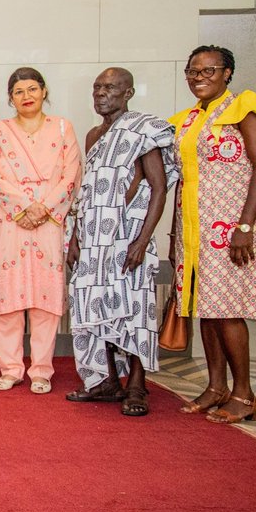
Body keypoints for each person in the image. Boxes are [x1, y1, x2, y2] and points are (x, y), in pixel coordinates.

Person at [169, 46, 256, 424]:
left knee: (228, 311)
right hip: (193, 230)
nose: (199, 77)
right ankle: (216, 387)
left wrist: (245, 226)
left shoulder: (246, 107)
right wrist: (172, 237)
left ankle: (244, 394)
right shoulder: (188, 119)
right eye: (192, 71)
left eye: (208, 70)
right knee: (205, 310)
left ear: (227, 72)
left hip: (231, 228)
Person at [66, 68, 176, 416]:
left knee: (133, 310)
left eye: (110, 87)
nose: (101, 93)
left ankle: (137, 387)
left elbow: (159, 188)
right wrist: (74, 237)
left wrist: (142, 242)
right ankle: (108, 381)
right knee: (94, 310)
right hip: (94, 240)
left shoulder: (144, 129)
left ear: (128, 92)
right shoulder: (94, 134)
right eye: (97, 87)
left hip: (127, 238)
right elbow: (87, 192)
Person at [0, 67, 82, 394]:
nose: (26, 97)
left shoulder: (63, 128)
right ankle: (11, 368)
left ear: (43, 91)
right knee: (6, 296)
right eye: (19, 92)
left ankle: (41, 370)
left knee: (44, 298)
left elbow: (71, 175)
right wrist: (23, 208)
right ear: (10, 98)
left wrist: (43, 208)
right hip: (8, 222)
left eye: (32, 89)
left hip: (48, 223)